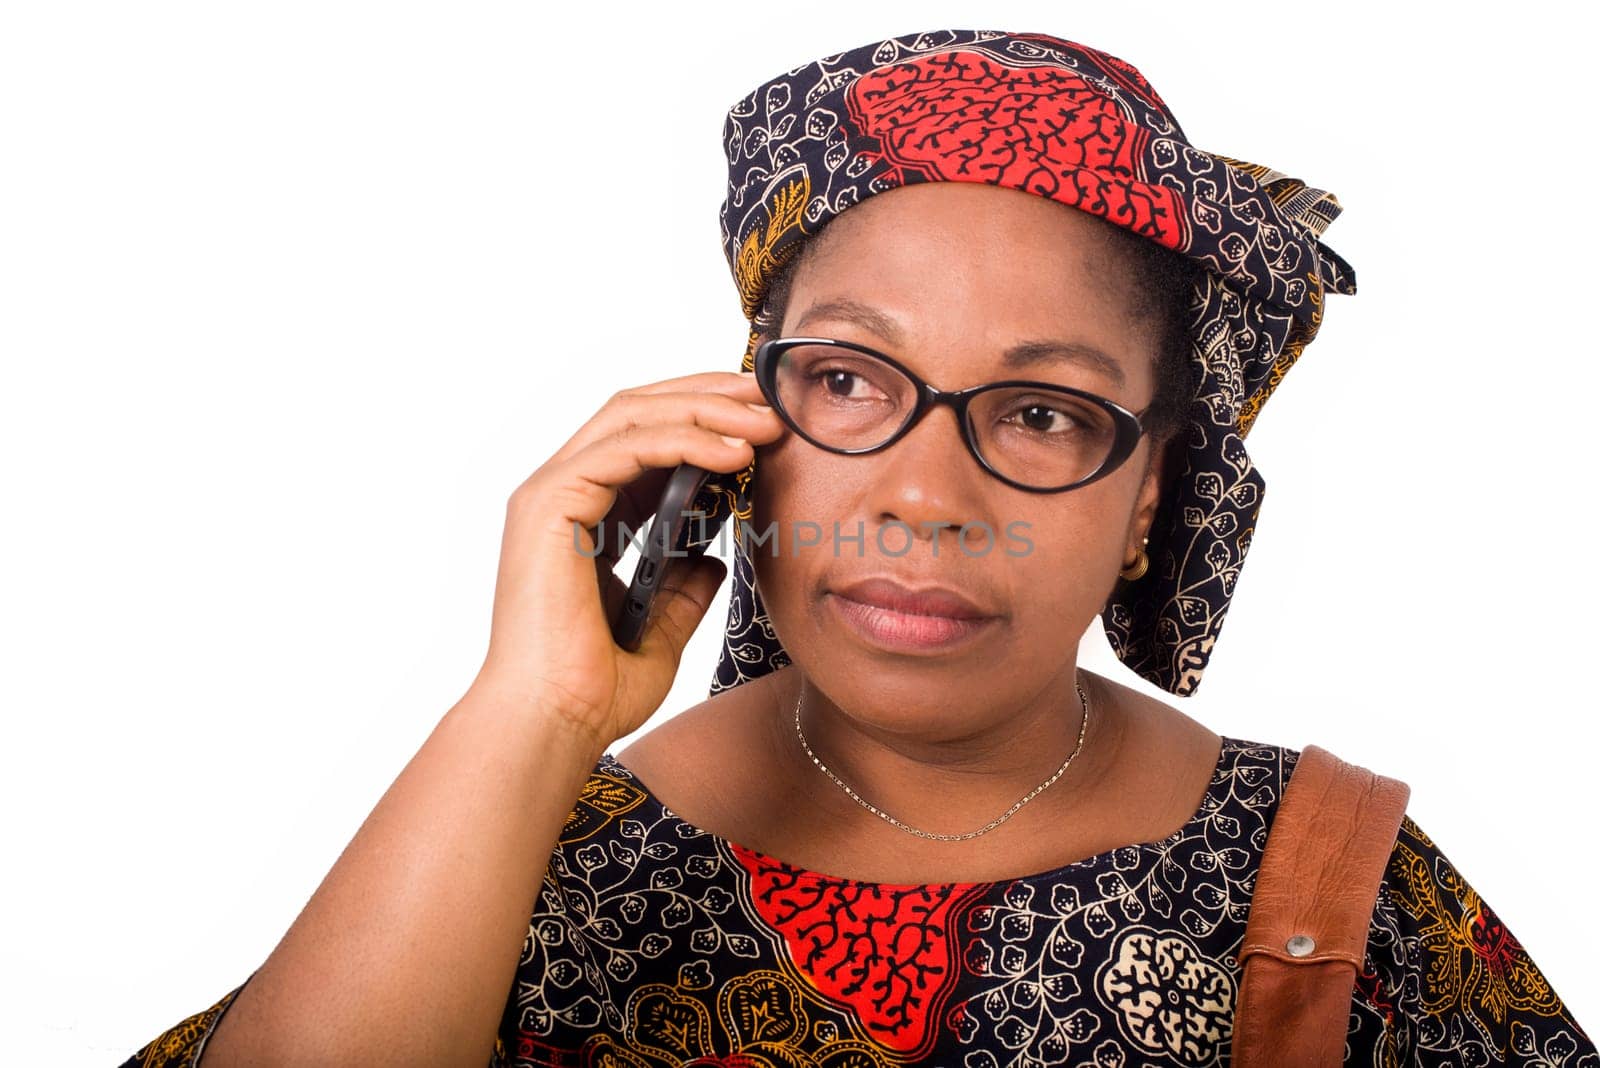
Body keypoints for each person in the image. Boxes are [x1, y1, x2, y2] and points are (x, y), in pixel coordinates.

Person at [119, 29, 1594, 1067]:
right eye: (846, 380)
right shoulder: (514, 857)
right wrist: (531, 710)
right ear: (740, 425)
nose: (920, 492)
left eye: (1040, 411)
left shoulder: (1334, 882)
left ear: (1155, 492)